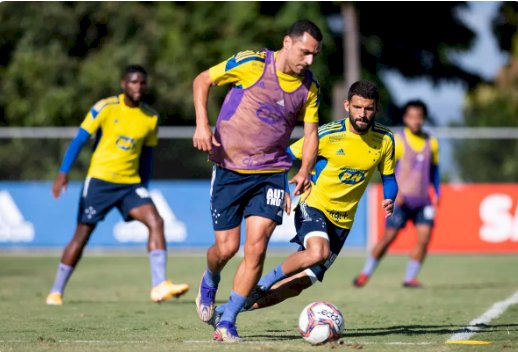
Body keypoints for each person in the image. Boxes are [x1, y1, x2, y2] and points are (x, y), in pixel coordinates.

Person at [213, 80, 397, 318]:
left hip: (343, 223)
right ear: (347, 105)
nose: (362, 114)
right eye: (358, 107)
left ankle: (229, 311)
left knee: (300, 284)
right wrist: (283, 187)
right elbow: (286, 156)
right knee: (318, 252)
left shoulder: (385, 139)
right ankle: (264, 282)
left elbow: (390, 178)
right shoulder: (328, 134)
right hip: (314, 205)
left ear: (376, 109)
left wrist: (389, 197)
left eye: (368, 109)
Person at [192, 20, 322, 342]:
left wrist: (304, 169)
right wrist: (202, 125)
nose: (309, 61)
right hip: (229, 169)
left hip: (271, 172)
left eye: (314, 55)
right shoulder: (252, 64)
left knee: (257, 246)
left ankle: (228, 320)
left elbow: (310, 134)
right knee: (226, 248)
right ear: (287, 43)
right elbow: (202, 80)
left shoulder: (310, 88)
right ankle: (210, 279)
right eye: (305, 52)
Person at [46, 65, 189, 306]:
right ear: (123, 84)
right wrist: (63, 173)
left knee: (157, 221)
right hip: (100, 182)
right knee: (81, 236)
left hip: (130, 185)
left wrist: (145, 185)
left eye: (142, 83)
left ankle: (158, 285)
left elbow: (147, 157)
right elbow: (79, 140)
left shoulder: (150, 117)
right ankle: (56, 291)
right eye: (133, 82)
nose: (138, 87)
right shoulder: (105, 107)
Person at [353, 99, 440, 288]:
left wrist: (437, 193)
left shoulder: (431, 142)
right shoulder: (398, 140)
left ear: (423, 119)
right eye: (412, 117)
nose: (416, 121)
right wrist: (393, 194)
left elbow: (435, 171)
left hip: (423, 201)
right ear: (406, 118)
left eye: (419, 117)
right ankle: (365, 273)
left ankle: (410, 278)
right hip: (401, 200)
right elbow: (387, 170)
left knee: (424, 240)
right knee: (387, 239)